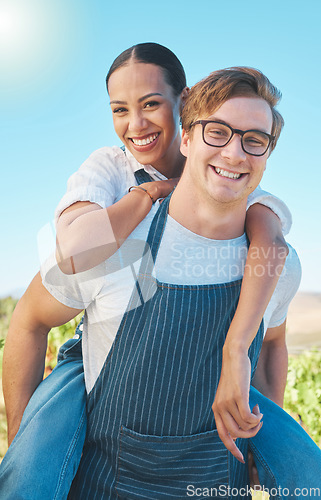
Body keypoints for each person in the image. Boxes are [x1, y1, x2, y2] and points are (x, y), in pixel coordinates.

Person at [2, 63, 319, 499]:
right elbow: (30, 321)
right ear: (186, 138)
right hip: (104, 487)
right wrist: (28, 446)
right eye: (217, 132)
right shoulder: (118, 244)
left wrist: (257, 445)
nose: (234, 153)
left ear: (267, 153)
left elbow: (270, 344)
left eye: (254, 140)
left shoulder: (275, 263)